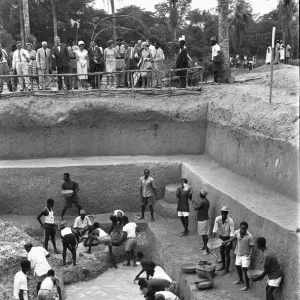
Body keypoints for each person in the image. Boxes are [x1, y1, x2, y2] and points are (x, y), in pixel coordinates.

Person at [222, 221, 254, 291]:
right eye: (242, 228)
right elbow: (233, 239)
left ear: (247, 228)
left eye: (244, 229)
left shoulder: (249, 236)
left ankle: (247, 286)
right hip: (238, 253)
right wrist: (226, 241)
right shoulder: (237, 232)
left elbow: (252, 246)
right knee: (237, 267)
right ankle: (241, 280)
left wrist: (250, 255)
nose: (243, 230)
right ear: (240, 227)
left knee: (245, 270)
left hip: (246, 255)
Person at [211, 206, 234, 274]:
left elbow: (232, 233)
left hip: (228, 238)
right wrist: (213, 237)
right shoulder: (217, 219)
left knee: (227, 253)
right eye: (222, 213)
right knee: (221, 251)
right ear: (221, 213)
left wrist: (229, 241)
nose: (223, 215)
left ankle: (227, 269)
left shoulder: (231, 221)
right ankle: (223, 266)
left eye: (225, 213)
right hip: (221, 237)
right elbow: (215, 229)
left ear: (227, 213)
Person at [192, 188, 210, 255]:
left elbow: (196, 208)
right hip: (204, 220)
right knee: (203, 234)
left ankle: (207, 250)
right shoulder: (206, 201)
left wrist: (193, 202)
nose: (199, 193)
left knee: (204, 235)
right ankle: (205, 246)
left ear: (202, 194)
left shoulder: (202, 202)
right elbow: (199, 207)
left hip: (203, 220)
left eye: (200, 193)